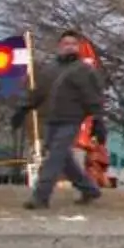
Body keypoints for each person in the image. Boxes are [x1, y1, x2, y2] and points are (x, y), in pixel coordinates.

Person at [21, 34, 107, 209]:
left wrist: (98, 120)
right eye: (66, 43)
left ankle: (41, 196)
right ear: (59, 46)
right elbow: (39, 92)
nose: (70, 47)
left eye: (74, 44)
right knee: (63, 158)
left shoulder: (85, 70)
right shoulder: (50, 69)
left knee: (54, 157)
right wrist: (24, 108)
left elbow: (94, 97)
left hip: (72, 119)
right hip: (52, 118)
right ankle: (89, 188)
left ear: (78, 47)